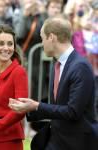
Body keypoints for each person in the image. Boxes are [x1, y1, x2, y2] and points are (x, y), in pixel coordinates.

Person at [9, 17, 98, 150]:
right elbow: (57, 107)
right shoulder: (56, 63)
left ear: (51, 37)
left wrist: (36, 106)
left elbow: (73, 111)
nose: (42, 43)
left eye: (42, 38)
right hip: (57, 139)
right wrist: (29, 109)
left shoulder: (80, 67)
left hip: (78, 142)